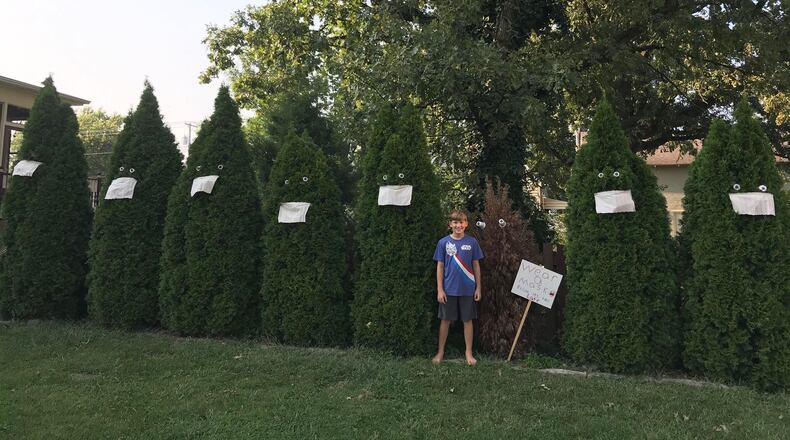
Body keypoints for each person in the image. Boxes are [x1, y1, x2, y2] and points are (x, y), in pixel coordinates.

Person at [432, 209, 484, 365]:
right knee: (445, 320)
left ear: (466, 224)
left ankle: (468, 352)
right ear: (450, 224)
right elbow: (440, 267)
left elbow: (476, 266)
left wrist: (478, 288)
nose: (458, 225)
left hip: (468, 290)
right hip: (448, 290)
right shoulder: (443, 243)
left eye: (461, 222)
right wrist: (440, 289)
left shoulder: (472, 242)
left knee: (468, 321)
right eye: (455, 222)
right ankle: (440, 352)